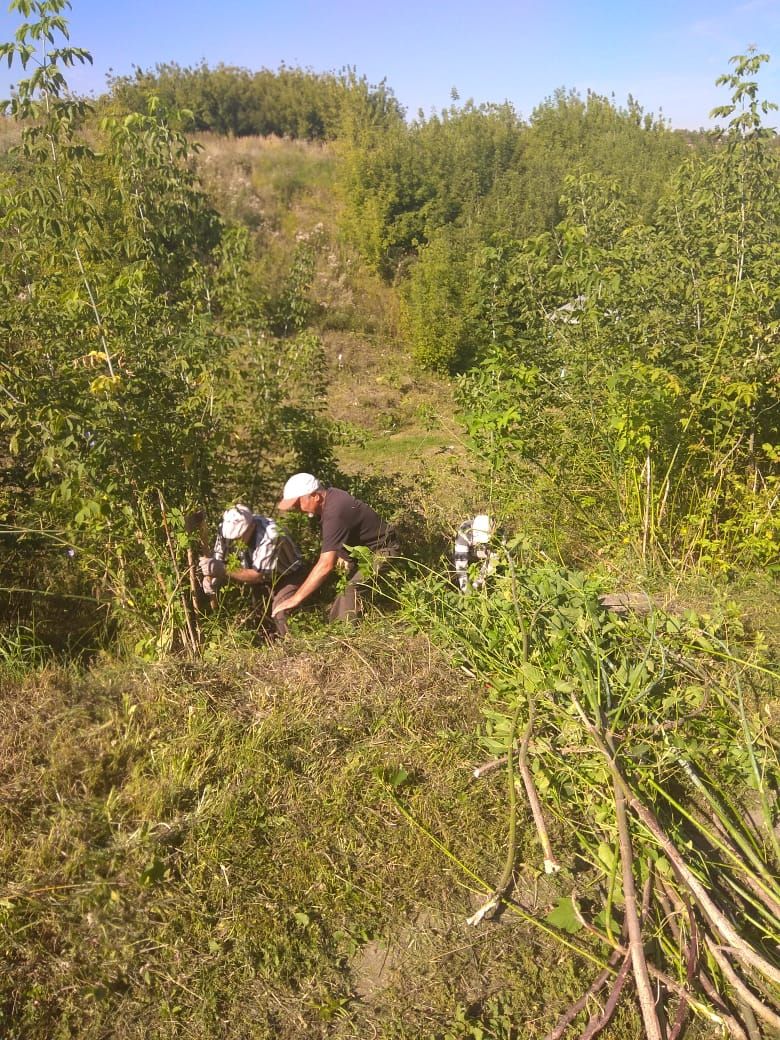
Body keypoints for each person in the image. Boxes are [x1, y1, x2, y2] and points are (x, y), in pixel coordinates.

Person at [271, 473, 399, 623]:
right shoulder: (330, 498)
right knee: (338, 589)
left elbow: (325, 565)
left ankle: (345, 636)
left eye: (298, 503)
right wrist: (343, 555)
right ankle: (335, 623)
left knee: (352, 589)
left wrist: (295, 599)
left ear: (315, 496)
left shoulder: (334, 512)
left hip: (384, 550)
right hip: (361, 553)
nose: (295, 508)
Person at [199, 504, 305, 637]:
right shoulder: (225, 530)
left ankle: (291, 646)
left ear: (252, 526)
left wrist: (222, 570)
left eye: (239, 536)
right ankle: (268, 643)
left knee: (280, 611)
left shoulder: (271, 535)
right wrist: (211, 577)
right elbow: (218, 559)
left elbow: (257, 575)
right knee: (260, 616)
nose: (235, 541)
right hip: (258, 577)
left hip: (287, 574)